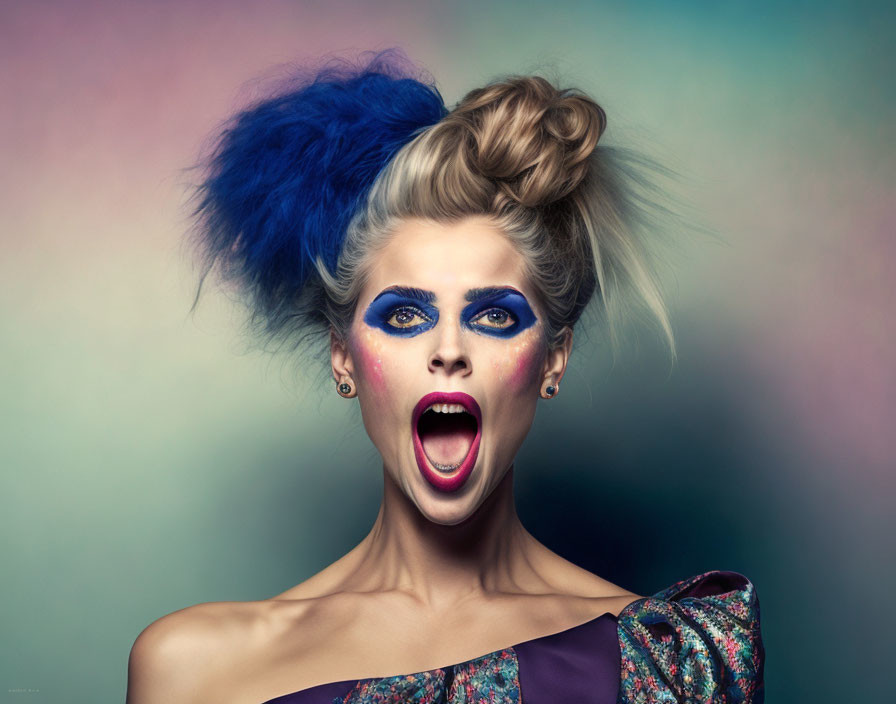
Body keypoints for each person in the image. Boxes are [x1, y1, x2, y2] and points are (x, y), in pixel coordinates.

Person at [127, 49, 765, 703]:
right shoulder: (196, 670)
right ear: (342, 355)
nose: (450, 349)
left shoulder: (670, 663)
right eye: (404, 314)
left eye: (494, 315)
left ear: (553, 358)